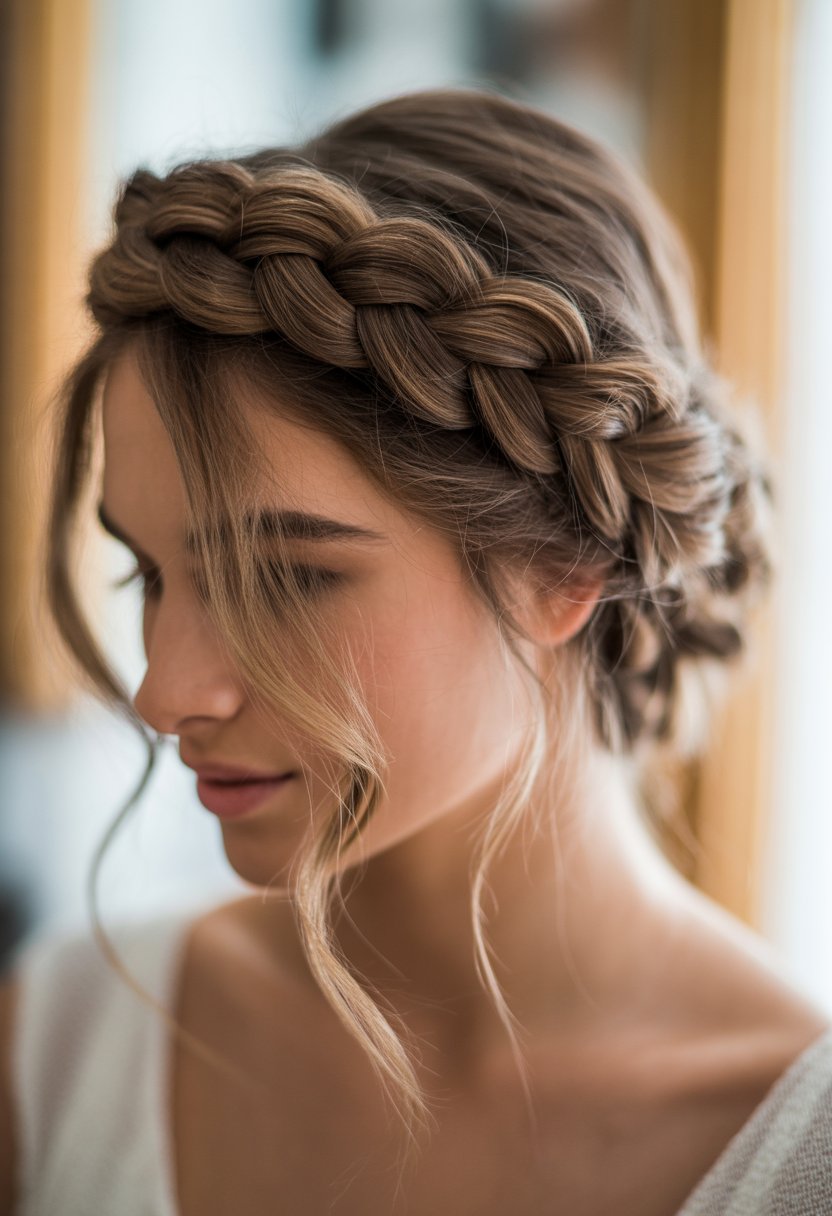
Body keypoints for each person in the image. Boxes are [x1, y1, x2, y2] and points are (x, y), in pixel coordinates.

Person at [1, 87, 831, 1216]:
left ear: (563, 563)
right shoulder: (59, 1054)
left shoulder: (801, 1158)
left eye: (285, 578)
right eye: (149, 575)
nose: (164, 692)